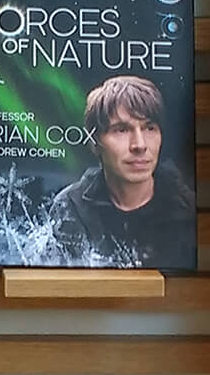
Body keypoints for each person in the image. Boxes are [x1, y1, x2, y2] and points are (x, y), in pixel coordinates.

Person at [46, 75, 196, 267]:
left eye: (149, 128)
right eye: (122, 130)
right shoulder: (71, 208)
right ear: (95, 142)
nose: (139, 145)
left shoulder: (186, 208)